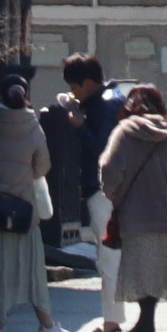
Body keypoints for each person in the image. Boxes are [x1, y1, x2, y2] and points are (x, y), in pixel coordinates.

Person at [94, 85, 167, 332]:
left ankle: (146, 328)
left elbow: (108, 167)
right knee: (157, 271)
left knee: (140, 270)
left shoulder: (125, 131)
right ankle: (145, 325)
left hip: (136, 214)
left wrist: (114, 195)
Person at [0, 80, 62, 332]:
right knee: (32, 269)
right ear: (26, 96)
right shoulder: (34, 128)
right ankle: (46, 324)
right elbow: (42, 167)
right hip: (22, 211)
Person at [39, 53, 118, 251]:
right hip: (105, 186)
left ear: (88, 83)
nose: (73, 92)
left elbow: (103, 148)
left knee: (108, 251)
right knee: (108, 248)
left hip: (103, 188)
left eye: (75, 87)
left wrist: (81, 126)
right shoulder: (103, 101)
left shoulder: (106, 105)